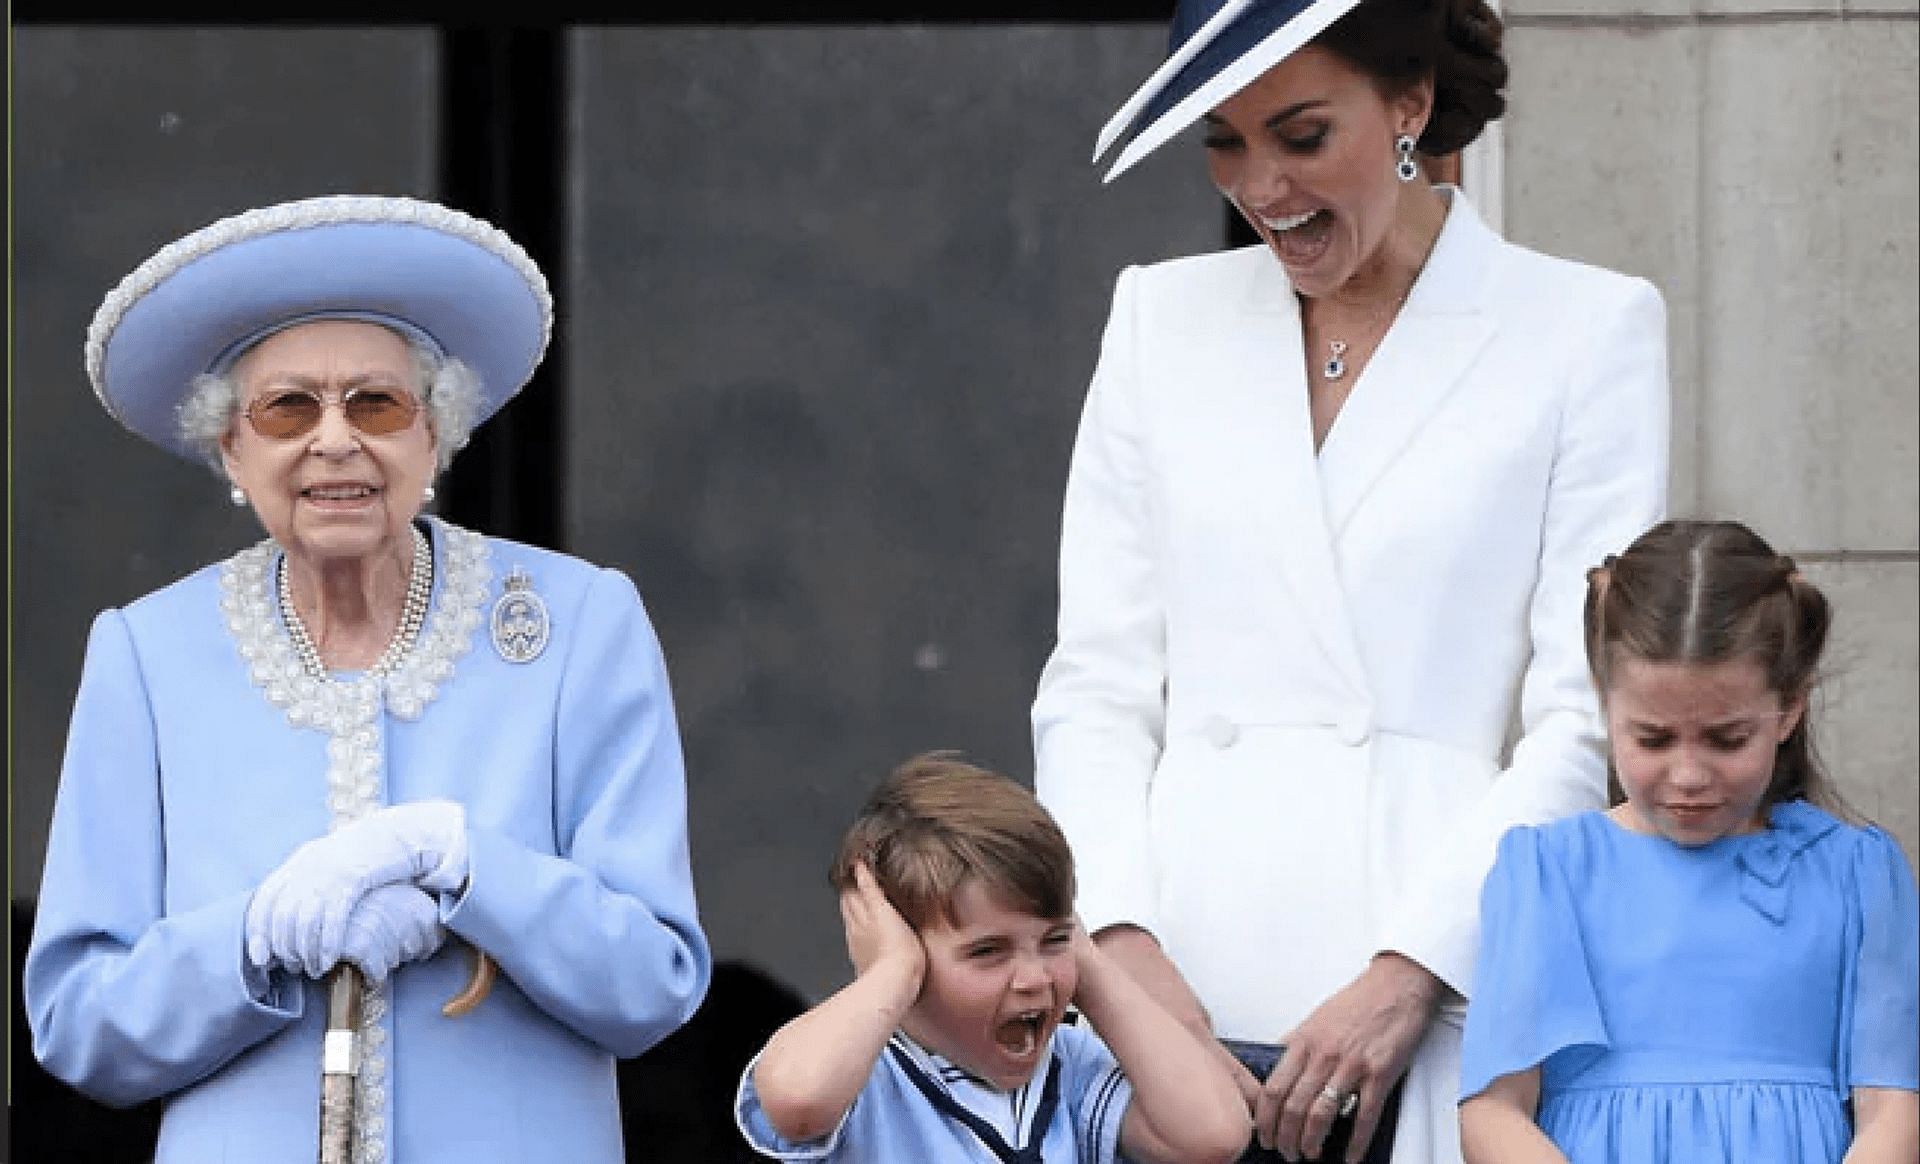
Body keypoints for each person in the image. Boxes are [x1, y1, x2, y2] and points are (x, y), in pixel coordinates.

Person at [1029, 0, 1672, 1160]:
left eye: (1303, 134)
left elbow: (1588, 718)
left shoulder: (1586, 329)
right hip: (1181, 1006)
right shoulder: (1156, 319)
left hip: (1435, 1004)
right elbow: (1097, 686)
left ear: (1411, 103)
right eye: (1225, 139)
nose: (1262, 184)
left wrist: (1414, 967)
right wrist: (1117, 947)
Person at [24, 194, 713, 1163]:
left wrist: (468, 864)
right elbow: (76, 1021)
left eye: (377, 404)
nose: (335, 440)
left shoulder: (577, 625)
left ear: (435, 436)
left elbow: (655, 982)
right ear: (233, 448)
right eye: (287, 408)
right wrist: (254, 937)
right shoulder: (147, 653)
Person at [1458, 519, 1920, 1163]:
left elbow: (1892, 1109)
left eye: (1727, 739)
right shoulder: (1549, 871)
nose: (1689, 775)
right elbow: (1494, 1111)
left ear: (1788, 709)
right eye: (1652, 738)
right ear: (1605, 704)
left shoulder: (1857, 871)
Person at [734, 752, 1252, 1163]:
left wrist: (1087, 964)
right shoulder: (861, 1070)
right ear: (906, 952)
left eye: (1052, 940)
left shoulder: (1069, 1067)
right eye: (988, 952)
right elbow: (797, 1102)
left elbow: (1213, 1134)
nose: (1033, 979)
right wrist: (891, 971)